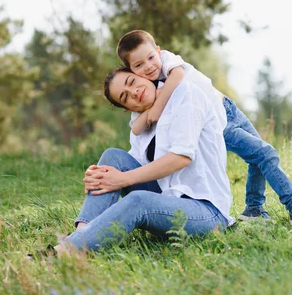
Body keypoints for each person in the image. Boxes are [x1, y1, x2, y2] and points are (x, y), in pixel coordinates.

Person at [115, 30, 292, 224]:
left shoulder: (167, 61)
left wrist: (158, 105)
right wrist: (154, 109)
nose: (149, 66)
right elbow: (136, 127)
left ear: (158, 52)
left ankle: (254, 209)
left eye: (151, 58)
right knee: (265, 154)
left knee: (257, 158)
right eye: (139, 66)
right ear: (131, 70)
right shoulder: (147, 90)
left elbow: (178, 74)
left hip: (230, 108)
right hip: (217, 122)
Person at [51, 68, 235, 255]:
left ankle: (61, 253)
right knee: (112, 156)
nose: (134, 92)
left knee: (139, 200)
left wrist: (121, 179)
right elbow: (135, 165)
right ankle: (83, 232)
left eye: (131, 82)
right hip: (167, 202)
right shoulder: (141, 124)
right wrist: (100, 175)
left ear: (143, 75)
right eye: (125, 97)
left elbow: (181, 158)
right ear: (127, 108)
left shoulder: (186, 93)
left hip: (206, 211)